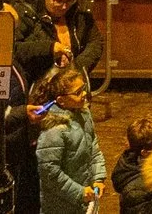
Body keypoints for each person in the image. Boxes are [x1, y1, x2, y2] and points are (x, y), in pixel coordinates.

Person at [16, 0, 106, 88]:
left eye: (69, 1)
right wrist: (49, 48)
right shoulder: (26, 12)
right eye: (58, 1)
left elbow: (95, 41)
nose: (64, 7)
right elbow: (13, 48)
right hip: (35, 85)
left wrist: (76, 68)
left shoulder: (81, 10)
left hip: (73, 86)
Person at [34, 68, 107, 214]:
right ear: (61, 100)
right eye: (77, 92)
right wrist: (79, 192)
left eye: (84, 88)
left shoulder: (84, 114)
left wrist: (98, 177)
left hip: (84, 202)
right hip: (61, 206)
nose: (84, 94)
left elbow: (93, 148)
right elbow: (50, 172)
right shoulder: (54, 130)